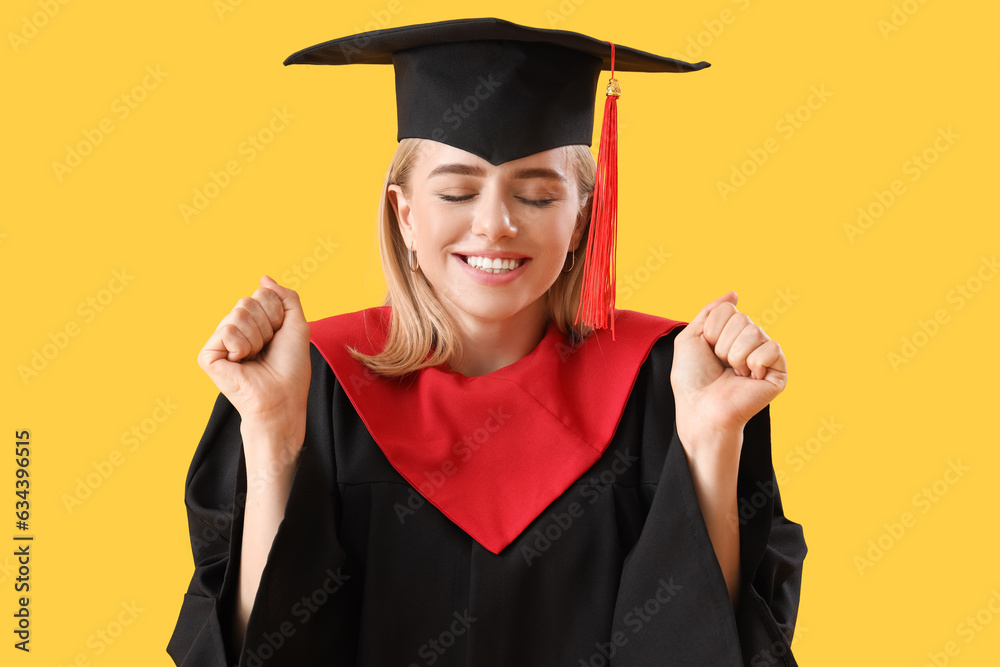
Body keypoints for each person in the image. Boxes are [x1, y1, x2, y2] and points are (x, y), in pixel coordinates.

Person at [167, 17, 807, 666]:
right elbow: (258, 652)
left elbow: (706, 649)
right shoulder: (312, 384)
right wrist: (274, 435)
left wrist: (710, 439)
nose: (495, 224)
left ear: (582, 217)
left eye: (535, 195)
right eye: (456, 191)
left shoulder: (667, 382)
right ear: (405, 214)